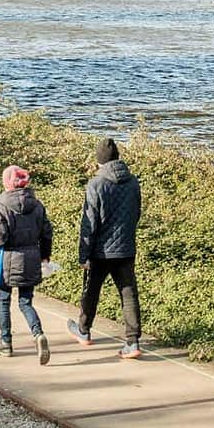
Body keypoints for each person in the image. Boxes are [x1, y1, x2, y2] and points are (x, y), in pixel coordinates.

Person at [67, 138, 143, 360]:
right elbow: (136, 213)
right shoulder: (133, 182)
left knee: (91, 292)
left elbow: (88, 223)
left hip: (100, 250)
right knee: (129, 295)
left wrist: (84, 254)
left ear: (99, 161)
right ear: (118, 157)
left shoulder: (96, 184)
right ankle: (133, 341)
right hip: (126, 248)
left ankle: (83, 330)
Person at [0, 165, 52, 362]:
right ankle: (38, 334)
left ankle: (6, 343)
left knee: (4, 300)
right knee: (26, 302)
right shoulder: (37, 205)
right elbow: (47, 233)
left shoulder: (2, 206)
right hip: (32, 257)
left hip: (8, 258)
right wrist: (45, 256)